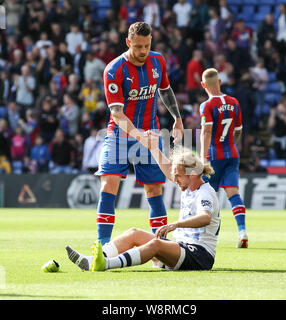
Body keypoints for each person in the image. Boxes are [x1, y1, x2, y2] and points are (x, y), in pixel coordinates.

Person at [93, 22, 184, 246]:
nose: (143, 51)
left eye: (146, 45)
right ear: (128, 43)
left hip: (151, 133)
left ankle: (161, 246)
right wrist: (137, 134)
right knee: (109, 184)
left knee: (154, 188)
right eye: (138, 46)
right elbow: (116, 113)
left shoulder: (158, 61)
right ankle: (103, 247)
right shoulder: (114, 70)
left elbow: (165, 89)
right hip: (120, 134)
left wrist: (177, 118)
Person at [66, 142, 220, 272]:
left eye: (178, 176)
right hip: (180, 248)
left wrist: (176, 224)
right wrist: (153, 147)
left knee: (156, 244)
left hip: (200, 255)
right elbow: (168, 170)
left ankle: (106, 264)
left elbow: (205, 217)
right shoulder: (187, 185)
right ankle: (93, 260)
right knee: (134, 233)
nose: (175, 179)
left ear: (192, 174)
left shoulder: (204, 193)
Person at [199, 68, 248, 248]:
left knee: (208, 196)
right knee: (233, 194)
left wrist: (204, 158)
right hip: (232, 154)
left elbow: (207, 131)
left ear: (203, 85)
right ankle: (242, 231)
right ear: (219, 82)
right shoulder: (234, 102)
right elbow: (239, 130)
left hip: (213, 156)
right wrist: (230, 145)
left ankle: (209, 235)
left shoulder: (207, 105)